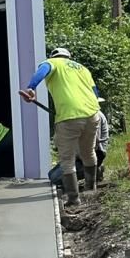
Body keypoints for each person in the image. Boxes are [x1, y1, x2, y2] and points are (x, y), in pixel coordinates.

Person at [21, 47, 102, 206]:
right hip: (93, 114)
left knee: (67, 159)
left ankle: (73, 199)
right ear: (69, 57)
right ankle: (90, 189)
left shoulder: (51, 62)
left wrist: (31, 87)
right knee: (88, 151)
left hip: (69, 116)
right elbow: (95, 92)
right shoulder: (83, 68)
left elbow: (42, 70)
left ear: (54, 56)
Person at [48, 104, 110, 186]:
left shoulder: (94, 116)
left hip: (92, 155)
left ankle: (95, 170)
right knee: (51, 174)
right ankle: (91, 171)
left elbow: (93, 146)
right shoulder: (78, 116)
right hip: (78, 156)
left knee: (56, 178)